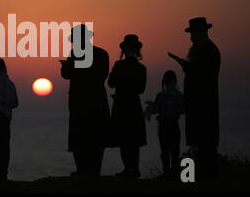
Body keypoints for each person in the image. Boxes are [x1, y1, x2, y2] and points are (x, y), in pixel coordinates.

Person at [168, 17, 221, 180]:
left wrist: (184, 64)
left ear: (201, 33)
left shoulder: (209, 51)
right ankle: (201, 176)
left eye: (193, 34)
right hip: (198, 105)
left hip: (204, 105)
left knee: (206, 144)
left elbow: (202, 75)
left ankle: (206, 177)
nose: (191, 38)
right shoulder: (204, 50)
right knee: (199, 143)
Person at [60, 24, 110, 176]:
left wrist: (68, 66)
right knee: (96, 137)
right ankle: (94, 170)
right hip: (96, 101)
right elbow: (102, 75)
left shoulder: (74, 54)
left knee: (79, 136)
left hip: (80, 102)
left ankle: (82, 169)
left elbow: (66, 74)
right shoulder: (102, 53)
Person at [108, 34, 147, 179]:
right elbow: (140, 89)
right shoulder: (141, 68)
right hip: (133, 104)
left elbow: (111, 83)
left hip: (121, 104)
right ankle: (133, 169)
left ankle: (128, 169)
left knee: (123, 139)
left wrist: (119, 77)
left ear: (124, 50)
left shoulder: (119, 65)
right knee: (133, 140)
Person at [145, 70, 184, 179]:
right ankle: (175, 172)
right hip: (174, 124)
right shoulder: (179, 95)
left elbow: (156, 110)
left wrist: (150, 106)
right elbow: (182, 110)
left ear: (164, 81)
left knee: (165, 150)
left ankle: (166, 172)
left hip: (163, 125)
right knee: (175, 150)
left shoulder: (161, 94)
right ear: (175, 81)